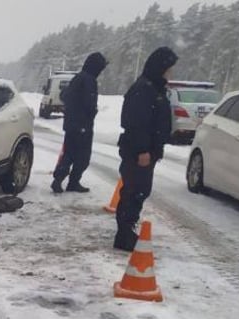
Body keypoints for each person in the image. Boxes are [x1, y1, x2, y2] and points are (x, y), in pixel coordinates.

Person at [114, 47, 179, 251]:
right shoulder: (144, 89)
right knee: (133, 192)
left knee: (140, 191)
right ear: (160, 67)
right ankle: (124, 235)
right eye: (169, 68)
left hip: (148, 151)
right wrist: (143, 150)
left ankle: (127, 229)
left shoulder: (155, 88)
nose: (171, 73)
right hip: (139, 152)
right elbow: (137, 123)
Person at [51, 52, 108, 194]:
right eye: (101, 68)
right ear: (96, 67)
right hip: (83, 126)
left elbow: (64, 95)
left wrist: (72, 111)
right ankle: (73, 182)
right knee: (82, 156)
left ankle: (58, 180)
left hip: (71, 124)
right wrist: (91, 113)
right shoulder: (89, 80)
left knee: (69, 154)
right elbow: (89, 104)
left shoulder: (78, 78)